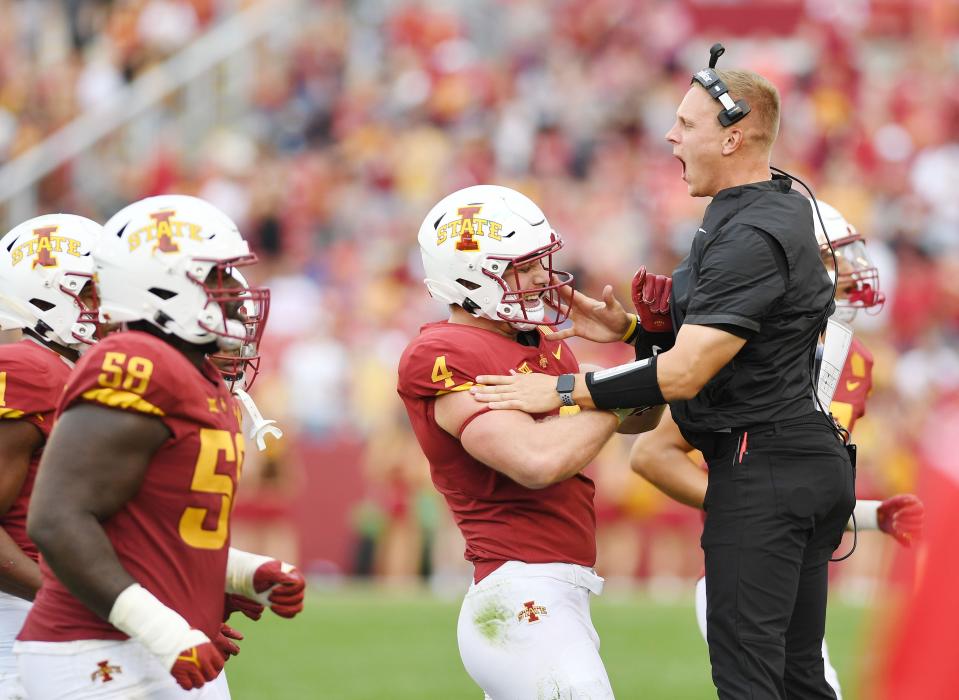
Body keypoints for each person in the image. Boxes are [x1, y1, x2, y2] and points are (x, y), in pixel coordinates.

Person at [472, 61, 856, 698]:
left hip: (761, 458)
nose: (671, 138)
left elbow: (686, 371)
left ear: (733, 137)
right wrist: (629, 332)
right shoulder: (766, 210)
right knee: (797, 679)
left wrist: (566, 389)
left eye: (685, 123)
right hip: (793, 455)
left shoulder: (751, 231)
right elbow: (726, 348)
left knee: (751, 683)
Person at [628, 200, 924, 699]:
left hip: (797, 563)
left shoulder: (854, 360)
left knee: (808, 686)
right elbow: (651, 454)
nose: (854, 277)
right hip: (749, 567)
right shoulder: (752, 349)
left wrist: (868, 515)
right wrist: (751, 508)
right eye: (838, 260)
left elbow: (799, 483)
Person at [14, 195, 304, 699]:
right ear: (160, 285)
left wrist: (238, 570)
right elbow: (57, 520)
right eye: (216, 277)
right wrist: (164, 629)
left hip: (147, 639)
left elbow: (148, 530)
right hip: (95, 650)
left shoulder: (196, 374)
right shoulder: (133, 362)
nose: (236, 293)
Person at [397, 184, 651, 699]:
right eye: (522, 265)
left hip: (556, 590)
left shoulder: (545, 348)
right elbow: (537, 459)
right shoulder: (444, 350)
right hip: (516, 594)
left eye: (541, 261)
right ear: (469, 274)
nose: (541, 277)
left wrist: (631, 340)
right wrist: (603, 390)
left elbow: (644, 414)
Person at [0, 214, 102, 698]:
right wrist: (72, 599)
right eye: (91, 290)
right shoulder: (31, 369)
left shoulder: (70, 372)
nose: (106, 307)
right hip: (19, 614)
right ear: (46, 293)